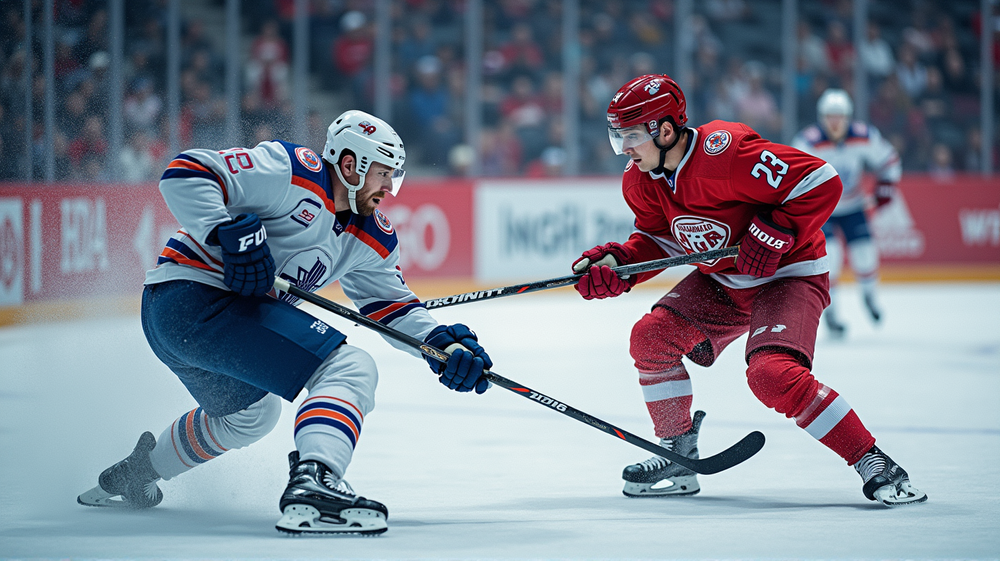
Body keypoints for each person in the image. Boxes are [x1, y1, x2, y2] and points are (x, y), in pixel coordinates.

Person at [77, 110, 494, 535]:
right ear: (351, 165)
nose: (389, 188)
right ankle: (316, 480)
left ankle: (138, 472)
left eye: (394, 178)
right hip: (193, 298)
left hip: (180, 322)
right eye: (384, 174)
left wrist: (443, 346)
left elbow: (393, 308)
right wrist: (225, 232)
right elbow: (186, 172)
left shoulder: (371, 236)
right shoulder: (292, 171)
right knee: (349, 366)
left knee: (252, 416)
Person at [573, 74, 925, 507]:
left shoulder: (728, 154)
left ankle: (875, 462)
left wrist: (778, 228)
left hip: (789, 273)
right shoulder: (639, 180)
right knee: (650, 337)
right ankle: (677, 454)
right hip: (724, 281)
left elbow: (822, 181)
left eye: (629, 136)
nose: (624, 149)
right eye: (618, 138)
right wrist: (621, 263)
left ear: (664, 130)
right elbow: (661, 240)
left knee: (770, 374)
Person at [792, 89, 901, 337]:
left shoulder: (864, 136)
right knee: (831, 257)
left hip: (853, 205)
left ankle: (870, 296)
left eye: (839, 116)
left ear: (848, 117)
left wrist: (887, 186)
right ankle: (831, 310)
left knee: (866, 254)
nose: (835, 122)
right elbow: (791, 174)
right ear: (821, 118)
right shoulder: (807, 142)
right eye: (830, 116)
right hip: (824, 209)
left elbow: (890, 160)